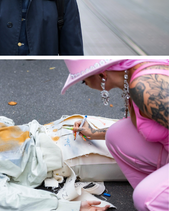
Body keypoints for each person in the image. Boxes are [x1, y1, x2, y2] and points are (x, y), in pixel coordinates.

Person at [62, 59, 169, 211]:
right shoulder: (137, 77)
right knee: (117, 134)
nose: (85, 83)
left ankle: (155, 199)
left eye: (83, 80)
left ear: (102, 75)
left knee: (146, 198)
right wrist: (93, 133)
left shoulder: (145, 87)